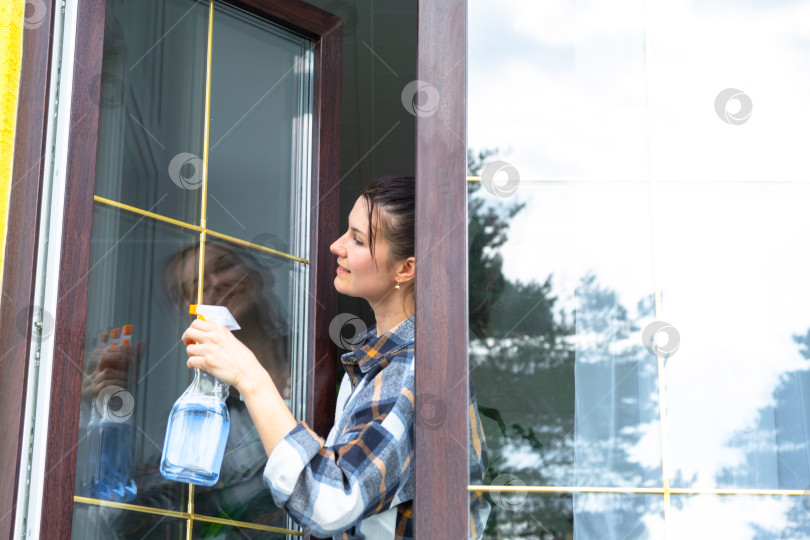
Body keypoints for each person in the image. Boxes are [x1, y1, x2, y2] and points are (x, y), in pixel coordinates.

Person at [183, 176, 490, 539]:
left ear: (406, 269)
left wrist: (250, 377)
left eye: (358, 239)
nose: (336, 246)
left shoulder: (412, 368)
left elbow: (328, 501)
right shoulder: (381, 362)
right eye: (347, 231)